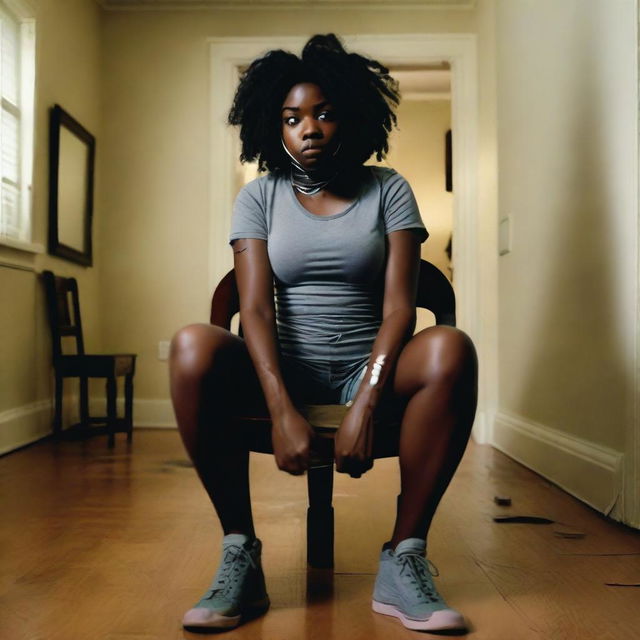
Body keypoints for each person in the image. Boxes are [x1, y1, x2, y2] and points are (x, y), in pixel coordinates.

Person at [169, 34, 478, 634]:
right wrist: (283, 408)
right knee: (190, 345)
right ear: (273, 128)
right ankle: (240, 553)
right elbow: (254, 311)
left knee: (451, 348)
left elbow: (399, 310)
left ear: (351, 118)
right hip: (285, 371)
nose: (308, 128)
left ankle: (405, 557)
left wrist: (366, 398)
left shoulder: (389, 188)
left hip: (375, 371)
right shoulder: (258, 196)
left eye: (323, 113)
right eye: (291, 118)